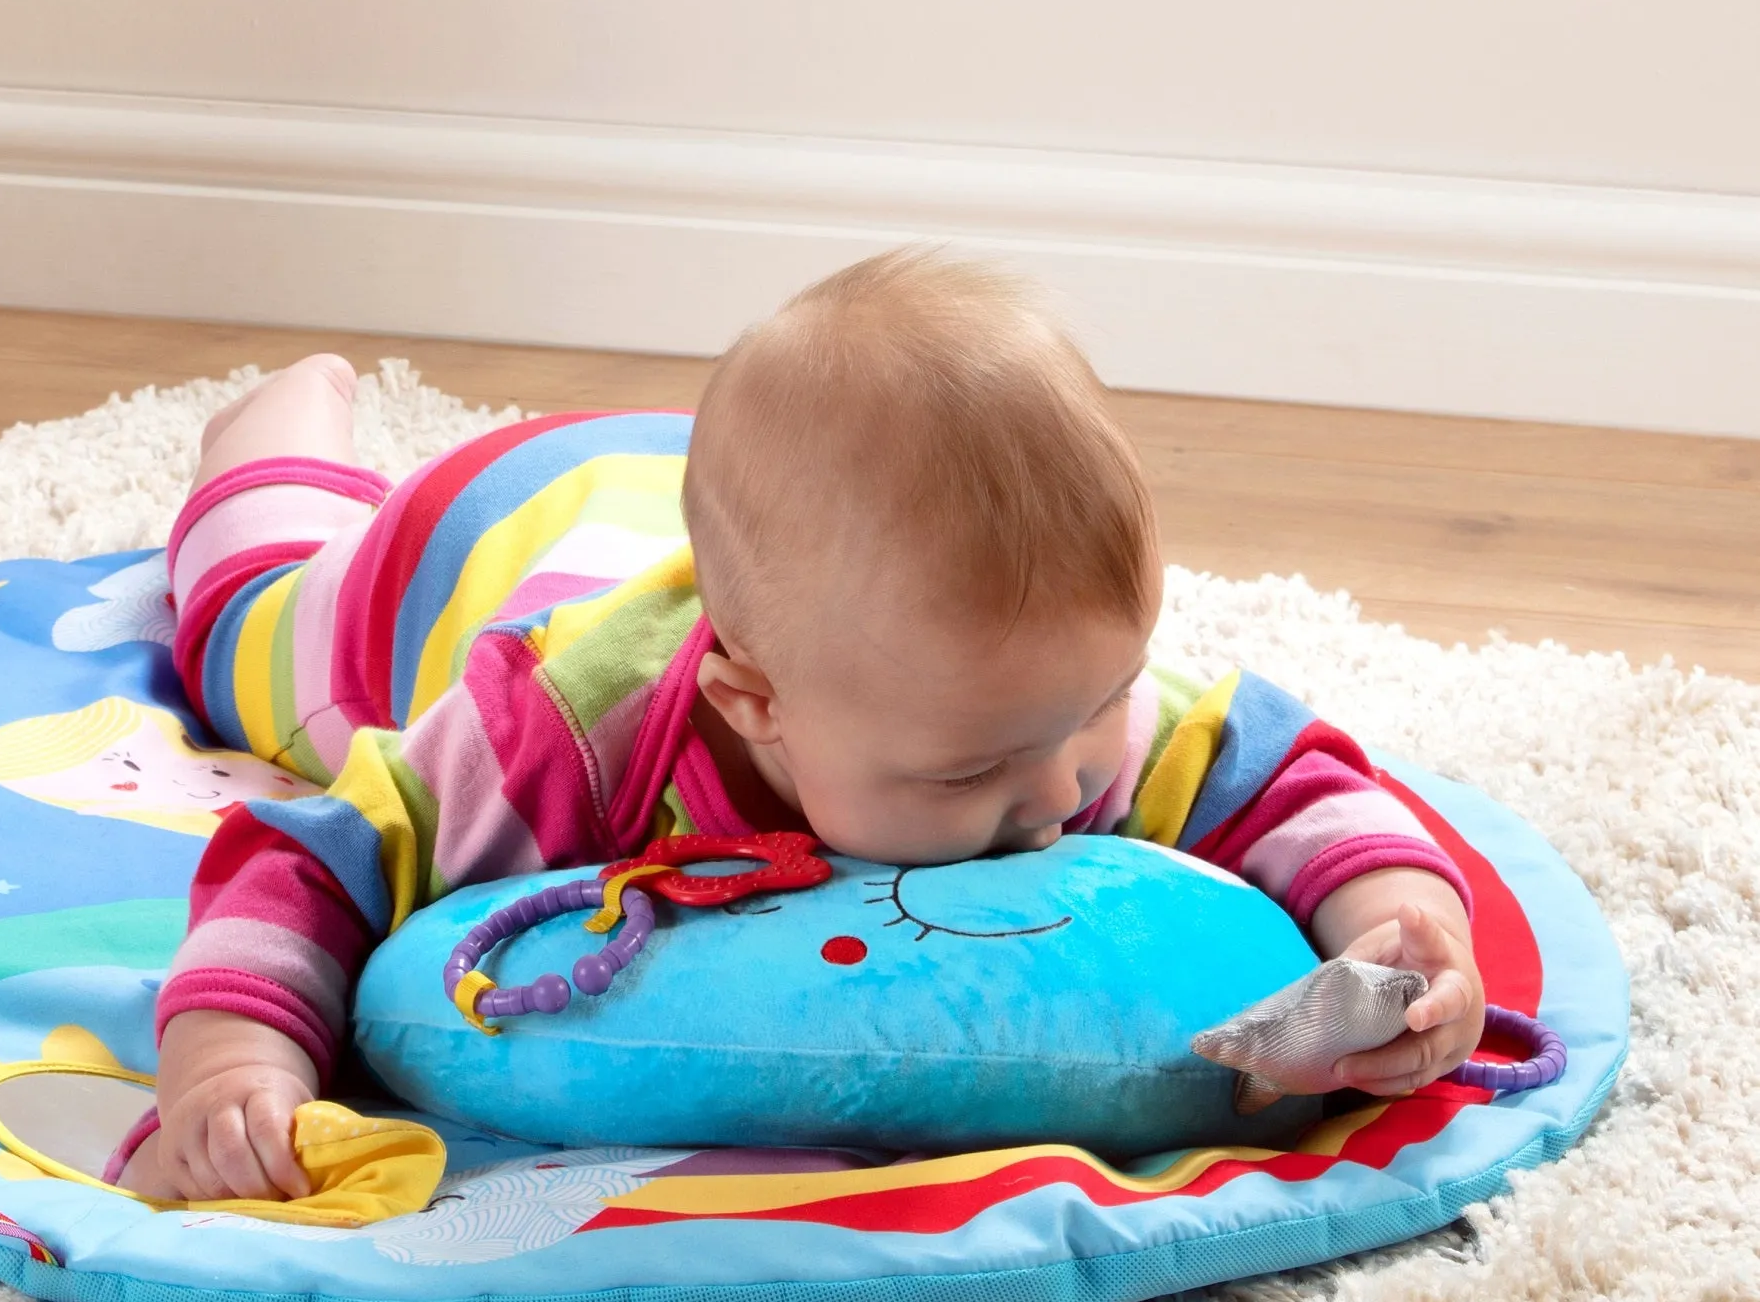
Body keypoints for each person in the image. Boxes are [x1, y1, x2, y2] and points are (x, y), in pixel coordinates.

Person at [120, 248, 1483, 1201]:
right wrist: (234, 1060)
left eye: (1099, 707)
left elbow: (1293, 777)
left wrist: (1396, 927)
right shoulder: (549, 737)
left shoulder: (1016, 692)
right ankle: (270, 431)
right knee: (245, 628)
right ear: (753, 705)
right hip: (478, 541)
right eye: (973, 771)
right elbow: (309, 861)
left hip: (711, 509)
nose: (1059, 797)